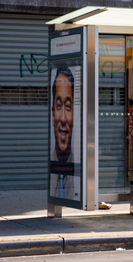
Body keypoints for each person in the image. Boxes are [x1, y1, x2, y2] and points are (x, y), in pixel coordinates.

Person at [50, 67, 77, 200]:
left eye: (68, 107)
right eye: (59, 106)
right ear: (52, 112)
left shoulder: (79, 174)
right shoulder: (49, 171)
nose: (63, 118)